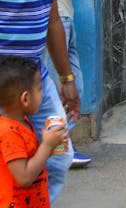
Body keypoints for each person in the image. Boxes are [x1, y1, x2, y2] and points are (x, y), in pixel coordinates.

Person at [0, 0, 80, 204]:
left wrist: (66, 78)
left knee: (58, 154)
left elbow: (51, 21)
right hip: (4, 81)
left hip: (38, 80)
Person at [42, 0, 93, 168]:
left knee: (75, 87)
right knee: (59, 87)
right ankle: (57, 150)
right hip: (55, 24)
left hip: (64, 21)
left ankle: (61, 147)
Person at [0, 56, 68, 207]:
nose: (42, 95)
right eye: (39, 89)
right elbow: (24, 177)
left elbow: (31, 160)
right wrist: (46, 147)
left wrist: (51, 146)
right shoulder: (8, 133)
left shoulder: (23, 123)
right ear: (25, 98)